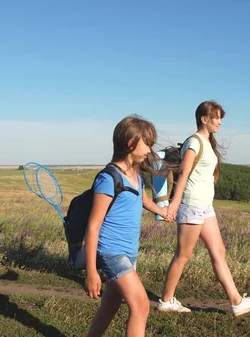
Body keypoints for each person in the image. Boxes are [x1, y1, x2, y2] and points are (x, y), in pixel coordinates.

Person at [158, 100, 250, 317]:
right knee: (183, 255)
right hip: (191, 205)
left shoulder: (207, 142)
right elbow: (184, 175)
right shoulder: (194, 142)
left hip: (205, 206)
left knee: (219, 251)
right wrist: (174, 205)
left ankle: (237, 302)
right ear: (204, 119)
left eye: (220, 118)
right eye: (215, 117)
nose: (219, 122)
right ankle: (166, 300)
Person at [85, 115, 167, 337]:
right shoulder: (109, 178)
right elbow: (93, 226)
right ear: (131, 144)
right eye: (147, 143)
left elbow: (143, 199)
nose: (150, 150)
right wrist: (92, 272)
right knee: (141, 306)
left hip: (129, 251)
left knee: (110, 305)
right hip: (112, 252)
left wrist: (163, 212)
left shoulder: (135, 175)